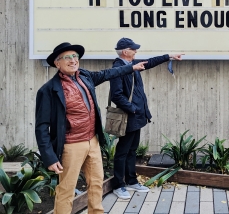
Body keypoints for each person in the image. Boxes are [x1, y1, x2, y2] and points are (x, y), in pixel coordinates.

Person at [35, 42, 146, 214]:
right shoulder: (49, 90)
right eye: (67, 57)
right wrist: (49, 157)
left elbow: (108, 73)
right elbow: (41, 127)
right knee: (66, 189)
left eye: (75, 56)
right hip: (71, 145)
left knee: (96, 183)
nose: (73, 60)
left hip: (92, 141)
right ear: (57, 63)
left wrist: (131, 68)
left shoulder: (85, 76)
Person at [110, 37, 184, 199]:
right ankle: (118, 185)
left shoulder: (131, 65)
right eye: (133, 49)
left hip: (137, 116)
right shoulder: (118, 68)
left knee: (132, 150)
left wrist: (169, 56)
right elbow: (116, 95)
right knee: (123, 151)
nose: (136, 51)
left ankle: (131, 181)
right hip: (128, 116)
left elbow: (148, 62)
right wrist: (132, 109)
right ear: (125, 51)